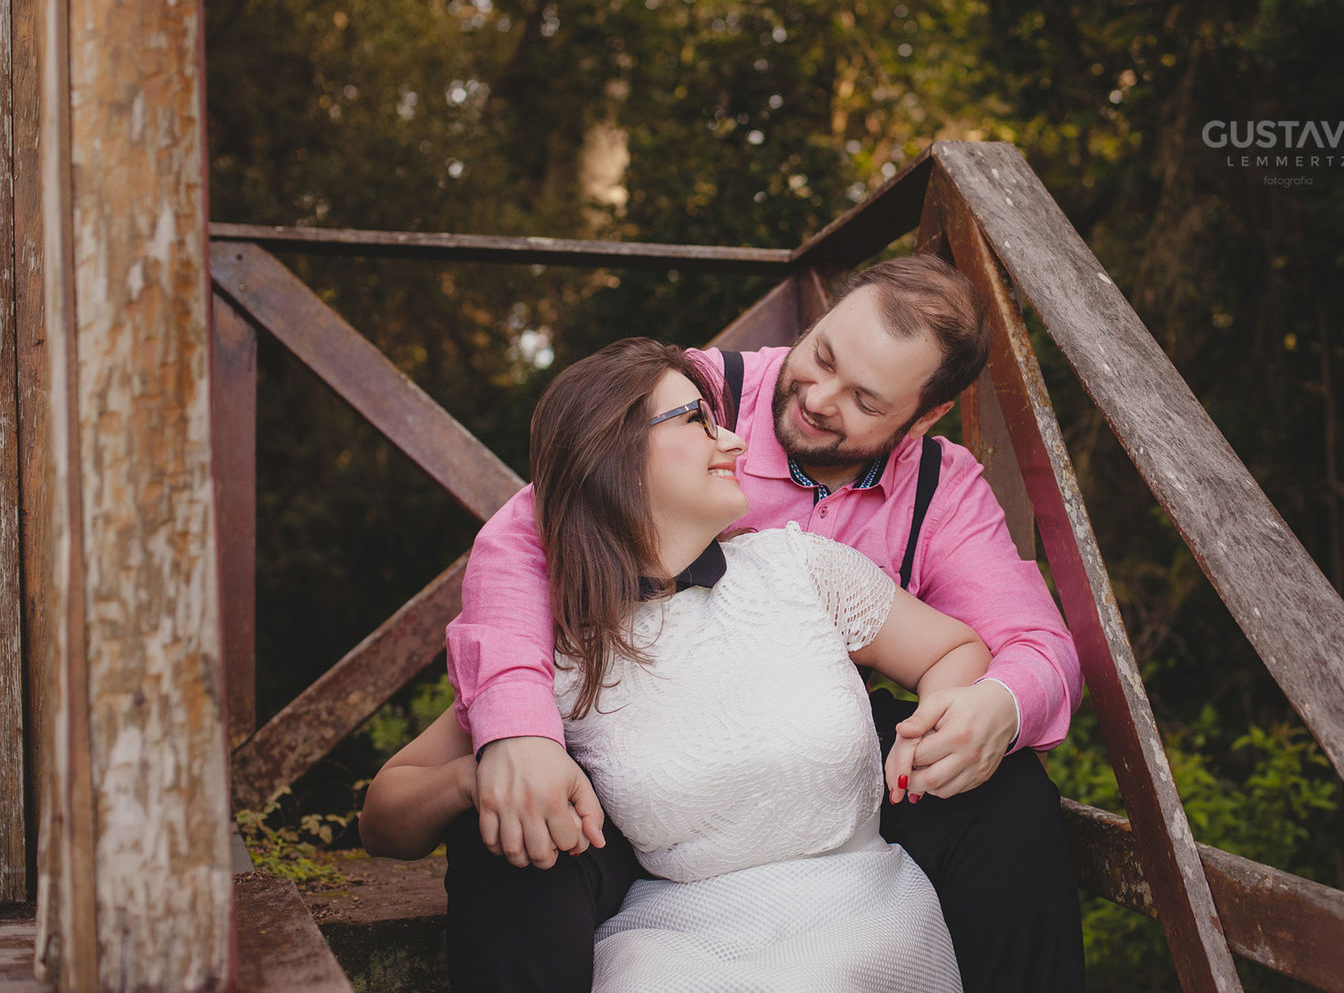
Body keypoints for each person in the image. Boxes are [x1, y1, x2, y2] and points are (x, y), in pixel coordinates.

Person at [391, 253, 1086, 992]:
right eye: (819, 355)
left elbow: (1033, 645)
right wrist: (516, 734)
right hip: (633, 753)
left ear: (921, 417)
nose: (817, 396)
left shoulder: (935, 490)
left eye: (864, 400)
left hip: (825, 754)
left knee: (1009, 794)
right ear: (816, 321)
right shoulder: (692, 397)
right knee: (514, 824)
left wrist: (992, 705)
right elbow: (525, 535)